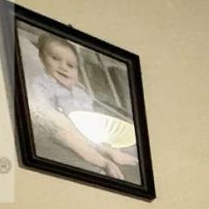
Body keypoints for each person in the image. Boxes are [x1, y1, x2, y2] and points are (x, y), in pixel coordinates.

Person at [25, 33, 137, 179]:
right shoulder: (41, 84)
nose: (63, 67)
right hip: (62, 126)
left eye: (71, 66)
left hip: (85, 129)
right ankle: (103, 162)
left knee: (104, 135)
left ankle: (108, 152)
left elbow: (91, 111)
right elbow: (43, 110)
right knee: (67, 133)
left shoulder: (80, 91)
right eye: (55, 58)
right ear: (42, 59)